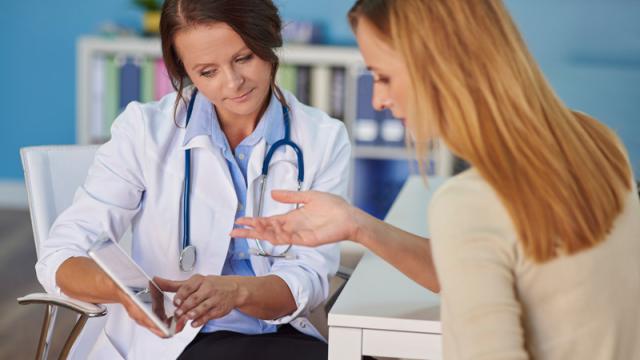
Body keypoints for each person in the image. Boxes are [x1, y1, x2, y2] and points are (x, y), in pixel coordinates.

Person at [232, 0, 640, 359]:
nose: (378, 100)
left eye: (383, 76)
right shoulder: (596, 139)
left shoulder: (469, 202)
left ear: (441, 67)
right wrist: (355, 225)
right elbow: (480, 265)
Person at [37, 0, 350, 358]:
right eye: (207, 72)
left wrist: (237, 291)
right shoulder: (145, 131)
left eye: (243, 58)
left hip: (279, 332)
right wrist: (126, 290)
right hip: (177, 340)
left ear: (270, 40)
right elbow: (60, 255)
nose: (233, 83)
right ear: (185, 69)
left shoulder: (323, 138)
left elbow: (311, 275)